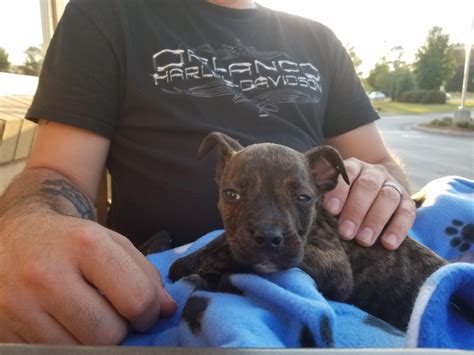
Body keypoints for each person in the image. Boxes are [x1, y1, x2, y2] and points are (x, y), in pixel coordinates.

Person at [0, 0, 416, 345]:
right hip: (168, 293)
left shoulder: (319, 39)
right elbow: (57, 172)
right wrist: (28, 224)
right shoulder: (107, 13)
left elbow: (378, 163)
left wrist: (381, 185)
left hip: (332, 280)